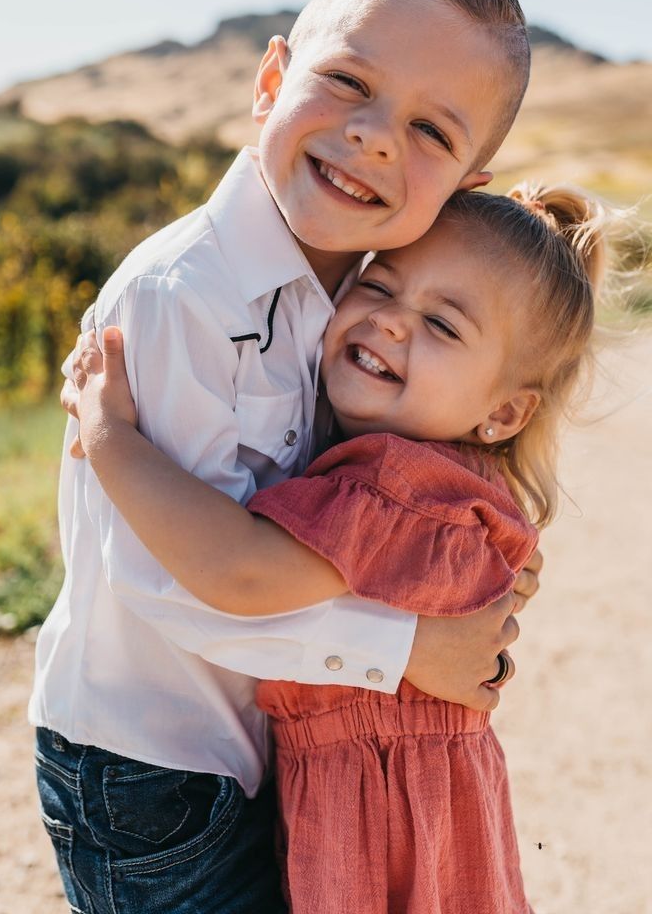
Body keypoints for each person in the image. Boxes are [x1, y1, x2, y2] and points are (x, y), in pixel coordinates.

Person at [31, 0, 540, 914]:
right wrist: (407, 653)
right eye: (348, 80)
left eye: (432, 133)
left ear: (464, 186)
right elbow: (167, 584)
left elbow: (371, 486)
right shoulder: (184, 298)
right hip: (150, 761)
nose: (376, 137)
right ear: (271, 81)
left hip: (258, 734)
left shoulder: (357, 289)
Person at [72, 183, 615, 914]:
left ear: (505, 413)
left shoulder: (395, 489)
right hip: (421, 803)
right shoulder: (451, 484)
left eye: (443, 326)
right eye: (381, 284)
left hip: (381, 815)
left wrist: (110, 437)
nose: (392, 322)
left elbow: (237, 570)